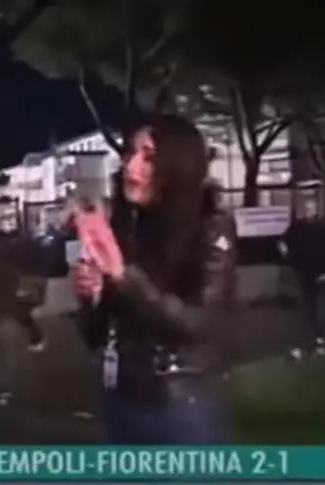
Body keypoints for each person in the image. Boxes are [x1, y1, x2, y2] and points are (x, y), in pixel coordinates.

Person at [72, 114, 235, 443]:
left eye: (148, 157)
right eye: (131, 153)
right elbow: (95, 335)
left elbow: (196, 322)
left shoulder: (211, 225)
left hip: (179, 400)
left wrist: (125, 278)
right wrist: (92, 296)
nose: (131, 166)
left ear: (178, 167)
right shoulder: (126, 223)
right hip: (120, 396)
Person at [279, 198, 325, 359]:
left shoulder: (324, 228)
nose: (309, 211)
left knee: (320, 310)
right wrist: (290, 257)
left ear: (316, 209)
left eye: (311, 208)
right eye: (307, 208)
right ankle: (304, 343)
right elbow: (283, 243)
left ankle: (320, 342)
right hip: (303, 273)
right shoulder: (297, 227)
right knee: (304, 310)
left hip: (320, 274)